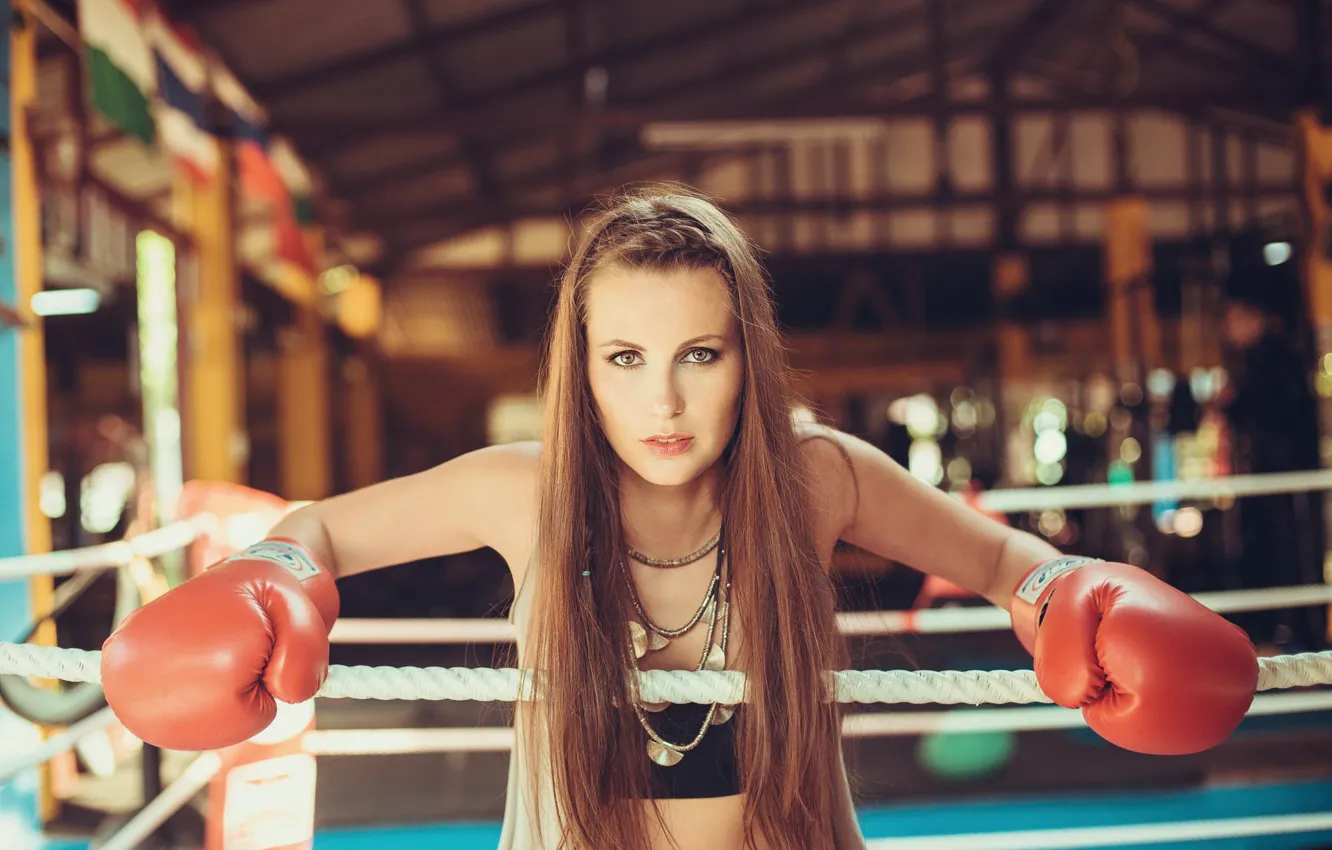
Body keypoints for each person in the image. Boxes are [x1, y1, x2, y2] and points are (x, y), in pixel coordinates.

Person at [98, 188, 1259, 850]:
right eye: (625, 357)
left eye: (699, 354)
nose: (661, 400)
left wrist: (1069, 596)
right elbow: (320, 526)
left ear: (746, 357)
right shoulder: (525, 487)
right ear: (582, 367)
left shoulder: (816, 480)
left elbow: (1004, 557)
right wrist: (274, 569)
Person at [1221, 263, 1327, 653]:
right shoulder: (1271, 358)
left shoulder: (1273, 358)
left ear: (1252, 318)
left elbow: (1275, 413)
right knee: (1284, 555)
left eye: (1233, 318)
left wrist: (1235, 404)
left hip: (1283, 478)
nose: (1227, 327)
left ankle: (1300, 640)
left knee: (1289, 554)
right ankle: (1295, 638)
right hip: (1279, 477)